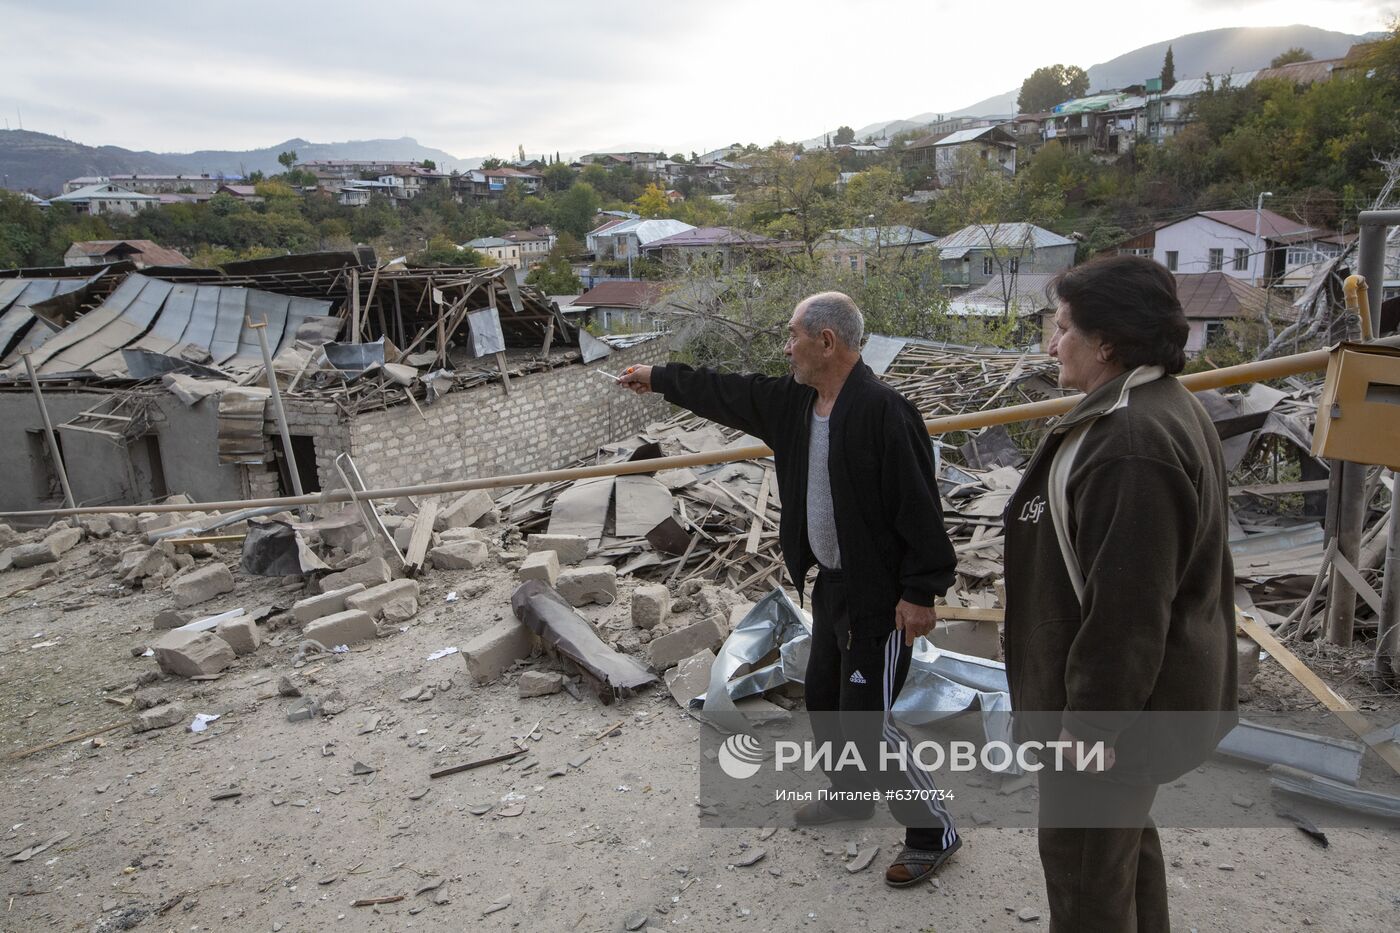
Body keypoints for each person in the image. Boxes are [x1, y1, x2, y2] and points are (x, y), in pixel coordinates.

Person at [618, 291, 961, 886]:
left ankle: (934, 830)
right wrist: (658, 377)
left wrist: (921, 592)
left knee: (865, 721)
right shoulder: (797, 405)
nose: (786, 346)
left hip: (879, 601)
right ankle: (852, 795)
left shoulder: (884, 412)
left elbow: (920, 510)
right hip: (830, 588)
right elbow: (727, 391)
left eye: (793, 334)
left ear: (826, 341)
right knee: (825, 701)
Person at [1004, 255, 1237, 931]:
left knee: (1084, 879)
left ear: (1107, 341)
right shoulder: (1156, 406)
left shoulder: (1132, 438)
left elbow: (1130, 606)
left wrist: (1090, 722)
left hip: (1111, 715)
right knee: (1119, 850)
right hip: (1132, 710)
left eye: (1064, 326)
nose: (1052, 343)